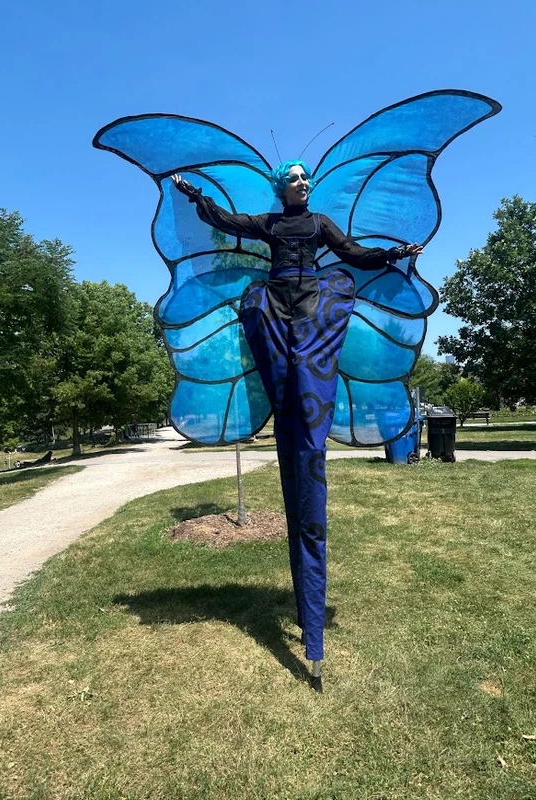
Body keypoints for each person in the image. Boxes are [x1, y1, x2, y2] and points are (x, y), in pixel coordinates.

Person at [174, 161, 422, 686]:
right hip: (272, 308)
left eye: (306, 178)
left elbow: (353, 254)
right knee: (286, 395)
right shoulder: (267, 223)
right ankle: (285, 412)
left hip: (312, 308)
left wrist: (395, 254)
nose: (303, 183)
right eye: (295, 178)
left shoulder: (319, 224)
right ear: (280, 188)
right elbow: (226, 222)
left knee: (309, 412)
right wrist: (193, 193)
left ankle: (313, 628)